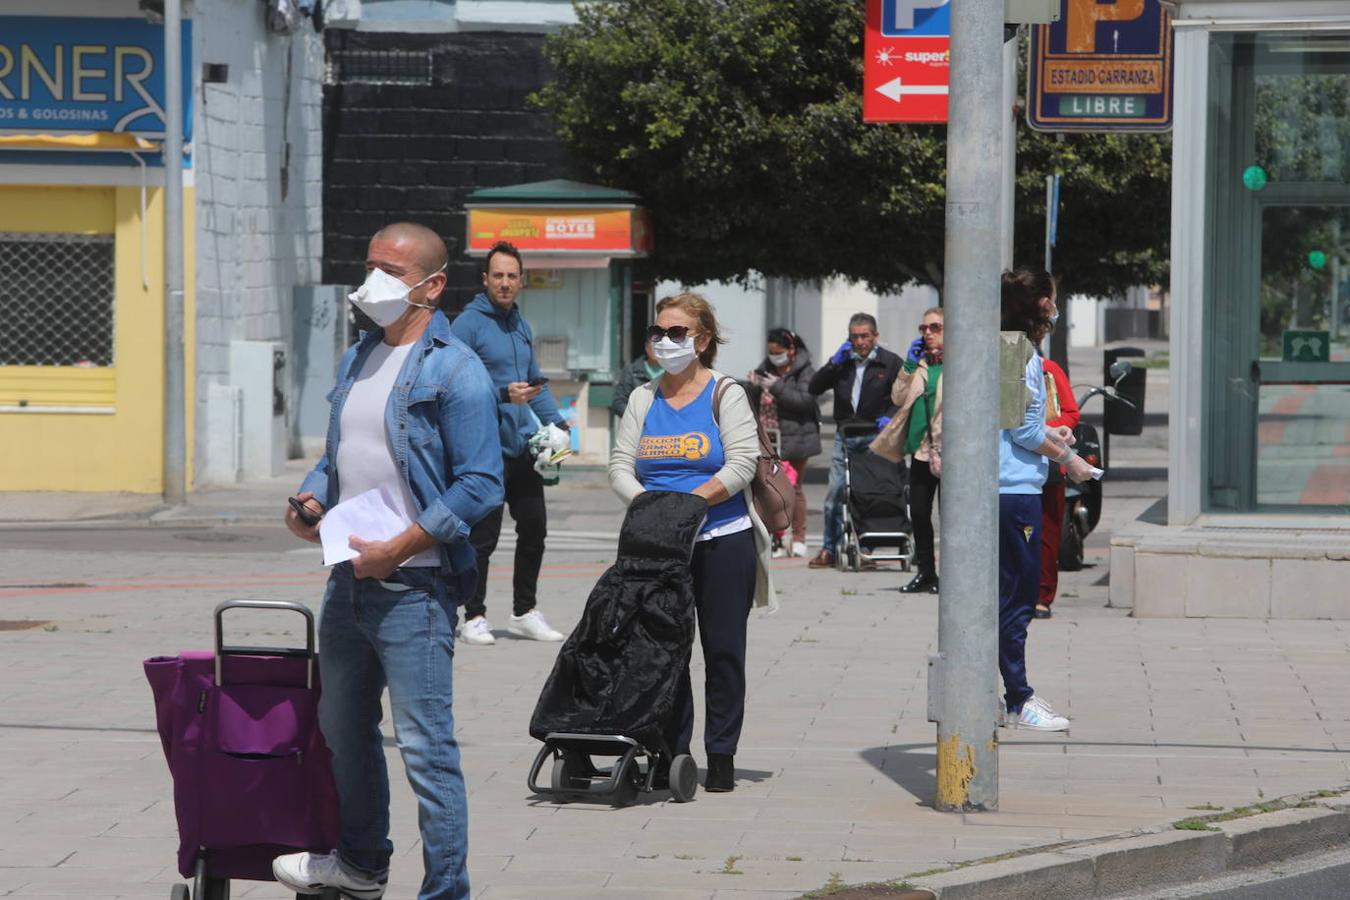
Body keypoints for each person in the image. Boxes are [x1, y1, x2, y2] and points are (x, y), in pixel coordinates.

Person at [273, 223, 504, 900]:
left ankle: (446, 891)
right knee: (342, 732)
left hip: (416, 589)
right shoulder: (359, 357)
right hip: (348, 581)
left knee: (429, 753)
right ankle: (361, 865)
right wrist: (308, 500)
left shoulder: (454, 368)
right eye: (367, 263)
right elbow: (335, 458)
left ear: (432, 287)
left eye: (390, 270)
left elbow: (482, 484)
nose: (370, 280)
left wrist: (401, 547)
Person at [609, 292, 778, 793]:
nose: (665, 341)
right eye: (658, 333)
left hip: (723, 540)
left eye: (677, 333)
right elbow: (620, 465)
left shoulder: (726, 393)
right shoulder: (644, 398)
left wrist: (692, 503)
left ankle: (721, 754)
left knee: (723, 651)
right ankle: (671, 751)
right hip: (662, 546)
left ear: (702, 340)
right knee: (665, 652)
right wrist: (653, 510)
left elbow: (743, 463)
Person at [449, 241, 569, 645]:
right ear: (485, 280)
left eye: (511, 276)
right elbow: (451, 386)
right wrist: (501, 395)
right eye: (497, 275)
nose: (504, 283)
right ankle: (474, 615)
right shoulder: (467, 324)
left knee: (534, 529)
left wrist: (560, 425)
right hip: (483, 450)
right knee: (482, 539)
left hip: (522, 449)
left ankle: (524, 611)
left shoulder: (521, 324)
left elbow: (535, 385)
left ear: (521, 281)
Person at [999, 268, 1096, 732]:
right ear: (1039, 305)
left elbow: (1016, 422)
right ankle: (1018, 697)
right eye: (1052, 299)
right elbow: (1021, 428)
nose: (1056, 307)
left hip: (1009, 486)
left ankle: (1010, 692)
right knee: (1018, 596)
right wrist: (1069, 458)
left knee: (1009, 595)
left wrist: (1051, 437)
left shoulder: (1012, 350)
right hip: (1013, 490)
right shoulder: (1016, 352)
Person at [806, 313, 902, 568]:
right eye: (854, 337)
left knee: (868, 494)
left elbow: (903, 397)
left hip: (876, 437)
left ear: (875, 336)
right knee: (836, 493)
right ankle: (829, 548)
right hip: (845, 435)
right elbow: (814, 388)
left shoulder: (889, 363)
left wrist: (889, 416)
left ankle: (866, 547)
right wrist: (832, 363)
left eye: (864, 336)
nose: (859, 342)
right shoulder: (843, 364)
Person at [870, 307, 943, 593]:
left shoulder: (959, 364)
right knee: (920, 514)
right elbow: (898, 397)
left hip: (950, 452)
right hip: (922, 451)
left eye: (935, 328)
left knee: (951, 517)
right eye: (923, 328)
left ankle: (953, 575)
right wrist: (910, 365)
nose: (928, 334)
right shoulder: (922, 363)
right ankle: (926, 572)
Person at [747, 328, 820, 559]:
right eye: (771, 352)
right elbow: (752, 401)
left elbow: (806, 401)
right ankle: (777, 538)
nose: (774, 356)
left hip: (795, 437)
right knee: (769, 488)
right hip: (768, 438)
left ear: (791, 350)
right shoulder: (765, 368)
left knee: (794, 489)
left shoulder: (805, 371)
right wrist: (754, 386)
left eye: (778, 352)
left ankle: (798, 538)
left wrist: (777, 387)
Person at [1036, 354, 1080, 619]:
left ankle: (1042, 596)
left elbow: (1071, 412)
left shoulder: (1048, 370)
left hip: (1049, 460)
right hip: (1008, 466)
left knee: (1048, 532)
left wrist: (1044, 429)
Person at [611, 339, 662, 419]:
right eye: (654, 344)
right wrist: (637, 419)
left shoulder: (674, 371)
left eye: (660, 344)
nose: (657, 348)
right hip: (639, 427)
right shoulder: (632, 371)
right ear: (646, 346)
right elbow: (618, 402)